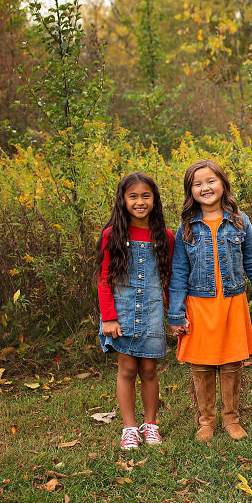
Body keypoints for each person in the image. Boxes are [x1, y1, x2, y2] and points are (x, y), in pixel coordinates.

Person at [168, 159, 252, 442]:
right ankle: (206, 421)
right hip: (199, 304)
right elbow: (178, 271)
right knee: (201, 364)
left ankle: (231, 418)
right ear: (190, 191)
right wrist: (176, 313)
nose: (205, 188)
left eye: (211, 181)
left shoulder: (240, 222)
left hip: (231, 302)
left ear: (223, 184)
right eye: (198, 184)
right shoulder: (187, 227)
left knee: (231, 363)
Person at [97, 172, 174, 450]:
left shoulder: (165, 236)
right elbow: (104, 278)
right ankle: (129, 428)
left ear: (154, 200)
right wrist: (109, 317)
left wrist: (174, 314)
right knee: (128, 369)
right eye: (133, 196)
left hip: (152, 312)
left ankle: (150, 425)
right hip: (123, 313)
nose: (140, 202)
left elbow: (168, 278)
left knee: (150, 369)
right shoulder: (112, 235)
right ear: (123, 200)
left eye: (145, 196)